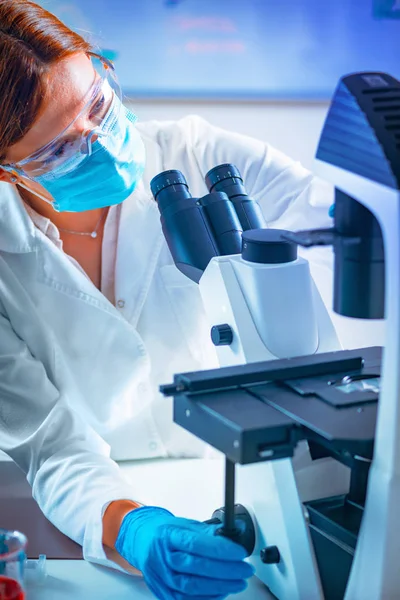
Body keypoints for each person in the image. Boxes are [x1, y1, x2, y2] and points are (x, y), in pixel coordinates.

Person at [0, 1, 334, 598]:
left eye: (99, 104)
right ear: (8, 173)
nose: (100, 142)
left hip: (265, 479)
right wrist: (133, 531)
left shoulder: (201, 158)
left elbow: (337, 230)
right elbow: (50, 444)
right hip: (112, 502)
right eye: (57, 151)